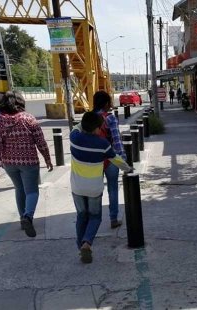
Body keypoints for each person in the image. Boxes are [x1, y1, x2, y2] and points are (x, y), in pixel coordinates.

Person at [70, 112, 132, 264]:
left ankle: (81, 247)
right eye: (100, 127)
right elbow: (115, 159)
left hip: (77, 187)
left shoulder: (74, 137)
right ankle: (87, 243)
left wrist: (86, 121)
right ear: (97, 128)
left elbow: (77, 127)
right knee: (95, 217)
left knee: (81, 216)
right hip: (94, 188)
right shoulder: (102, 144)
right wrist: (128, 168)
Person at [0, 91, 53, 238]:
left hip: (9, 163)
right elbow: (41, 141)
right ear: (20, 102)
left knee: (19, 189)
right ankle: (28, 216)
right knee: (31, 191)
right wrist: (47, 158)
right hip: (29, 161)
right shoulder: (28, 118)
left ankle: (22, 219)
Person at [92, 91, 125, 229]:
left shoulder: (89, 118)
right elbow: (117, 141)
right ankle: (113, 219)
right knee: (112, 188)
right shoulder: (110, 118)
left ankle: (95, 219)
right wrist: (123, 160)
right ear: (106, 104)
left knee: (96, 190)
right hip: (110, 159)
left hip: (94, 160)